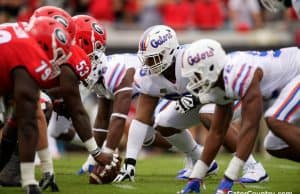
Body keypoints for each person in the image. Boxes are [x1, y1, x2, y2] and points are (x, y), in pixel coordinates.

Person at [113, 25, 267, 183]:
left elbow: (222, 83)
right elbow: (141, 119)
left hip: (230, 94)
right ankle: (199, 160)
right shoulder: (148, 77)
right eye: (146, 58)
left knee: (207, 113)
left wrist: (196, 98)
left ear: (169, 51)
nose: (149, 63)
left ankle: (253, 166)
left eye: (154, 58)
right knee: (163, 123)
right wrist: (130, 163)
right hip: (202, 101)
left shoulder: (192, 59)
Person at [179, 39, 299, 194]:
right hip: (290, 82)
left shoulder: (239, 73)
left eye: (197, 74)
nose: (194, 81)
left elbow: (250, 126)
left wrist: (229, 178)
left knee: (275, 119)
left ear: (211, 67)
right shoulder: (220, 80)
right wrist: (196, 177)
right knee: (275, 145)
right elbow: (217, 132)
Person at [0, 17, 72, 194]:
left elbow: (35, 115)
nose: (56, 62)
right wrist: (30, 182)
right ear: (43, 45)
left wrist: (43, 171)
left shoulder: (25, 32)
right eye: (56, 55)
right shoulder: (27, 54)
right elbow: (29, 122)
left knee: (36, 107)